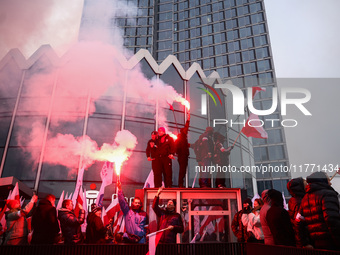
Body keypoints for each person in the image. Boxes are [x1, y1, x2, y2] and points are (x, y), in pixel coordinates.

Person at [298, 171, 340, 250]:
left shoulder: (305, 198)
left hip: (316, 244)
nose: (330, 183)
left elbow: (299, 221)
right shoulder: (328, 194)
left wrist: (305, 243)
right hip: (332, 243)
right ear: (322, 180)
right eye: (328, 180)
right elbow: (332, 220)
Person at [287, 177, 307, 247]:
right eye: (305, 184)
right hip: (305, 240)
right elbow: (298, 223)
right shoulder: (299, 201)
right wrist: (304, 243)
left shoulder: (293, 200)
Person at [175, 112, 190, 188]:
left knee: (183, 170)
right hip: (182, 156)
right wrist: (188, 119)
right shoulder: (182, 137)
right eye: (185, 131)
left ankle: (181, 183)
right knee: (182, 170)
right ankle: (180, 184)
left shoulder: (182, 138)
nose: (187, 132)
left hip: (183, 156)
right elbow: (186, 126)